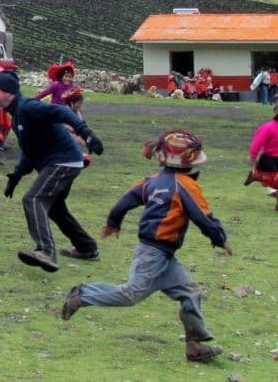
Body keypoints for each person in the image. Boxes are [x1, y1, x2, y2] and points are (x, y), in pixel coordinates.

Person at [61, 130, 230, 363]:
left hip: (163, 254)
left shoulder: (151, 181)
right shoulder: (186, 186)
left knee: (190, 293)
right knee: (131, 294)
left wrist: (113, 222)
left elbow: (125, 200)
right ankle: (83, 294)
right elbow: (203, 216)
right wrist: (219, 238)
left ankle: (195, 345)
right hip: (154, 253)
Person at [0, 70, 104, 272]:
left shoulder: (29, 107)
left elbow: (62, 112)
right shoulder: (17, 117)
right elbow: (29, 152)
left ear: (8, 92)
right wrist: (15, 177)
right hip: (60, 162)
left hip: (64, 161)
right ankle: (87, 248)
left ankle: (46, 251)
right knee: (54, 208)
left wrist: (86, 133)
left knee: (34, 199)